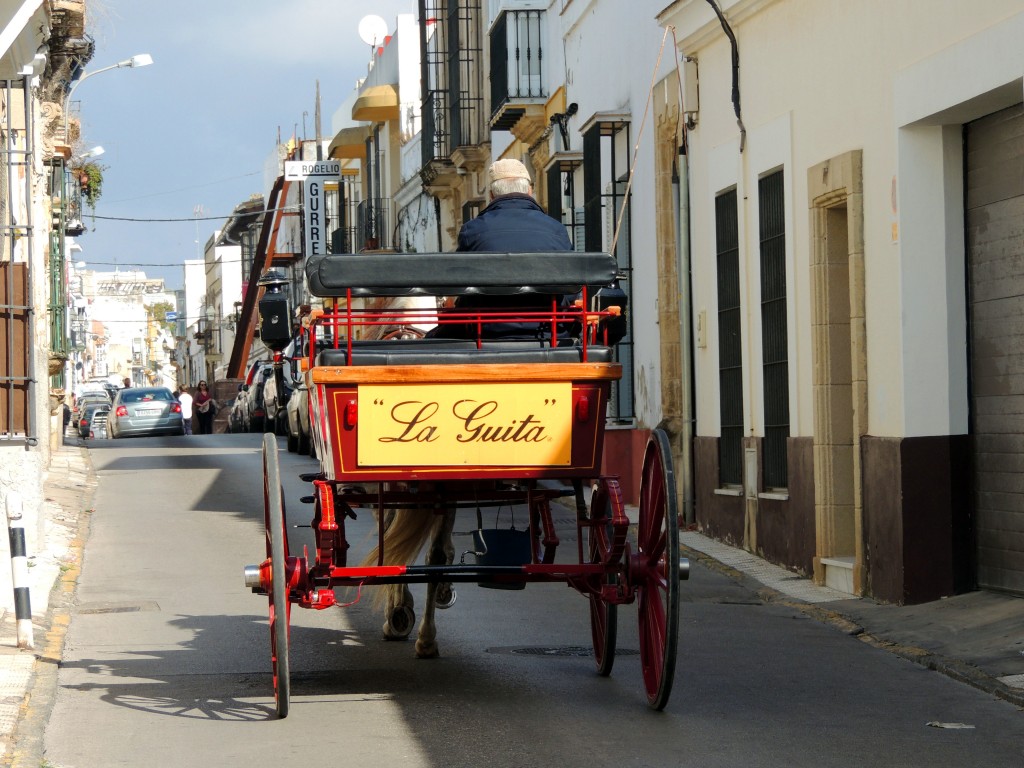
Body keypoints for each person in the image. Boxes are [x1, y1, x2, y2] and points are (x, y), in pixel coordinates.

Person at [438, 158, 573, 339]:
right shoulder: (557, 229)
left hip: (486, 333)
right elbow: (571, 288)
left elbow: (460, 284)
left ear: (492, 195)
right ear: (530, 191)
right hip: (549, 333)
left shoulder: (472, 230)